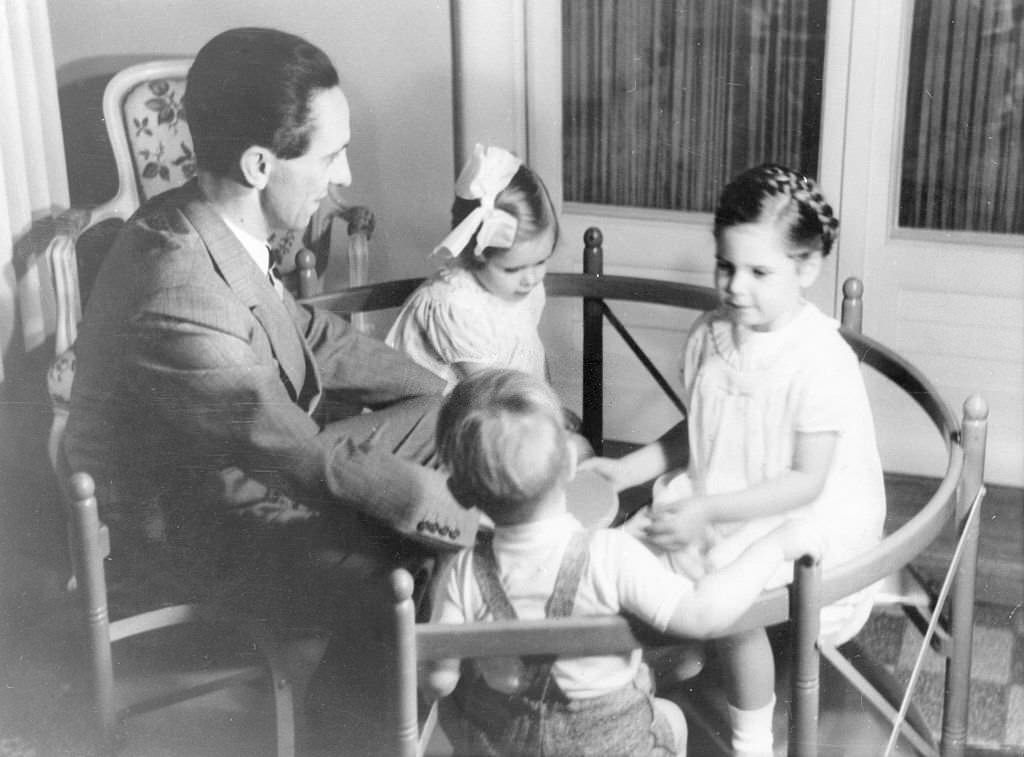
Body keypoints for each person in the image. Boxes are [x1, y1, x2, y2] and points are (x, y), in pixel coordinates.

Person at [62, 27, 477, 752]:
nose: (343, 174)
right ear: (259, 164)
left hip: (261, 461)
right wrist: (443, 513)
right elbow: (301, 459)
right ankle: (359, 733)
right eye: (330, 155)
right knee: (416, 556)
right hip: (198, 528)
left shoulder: (207, 217)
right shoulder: (179, 287)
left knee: (463, 429)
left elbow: (312, 335)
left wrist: (457, 394)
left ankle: (435, 682)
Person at [582, 163, 887, 756]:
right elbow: (702, 432)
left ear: (806, 268)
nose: (735, 286)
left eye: (758, 271)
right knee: (622, 558)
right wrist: (627, 470)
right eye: (726, 266)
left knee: (735, 603)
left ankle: (752, 741)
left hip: (794, 511)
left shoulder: (819, 359)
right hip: (719, 490)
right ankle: (644, 671)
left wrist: (708, 510)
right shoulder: (713, 335)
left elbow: (806, 480)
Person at [424, 368, 821, 757]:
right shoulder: (610, 554)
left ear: (459, 493)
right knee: (670, 718)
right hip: (609, 745)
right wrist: (774, 546)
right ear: (568, 467)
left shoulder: (462, 571)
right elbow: (703, 615)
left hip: (504, 745)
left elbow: (441, 680)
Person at [386, 143, 556, 392]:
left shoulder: (522, 288)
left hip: (508, 409)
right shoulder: (455, 305)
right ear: (474, 257)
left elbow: (530, 352)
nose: (531, 279)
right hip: (449, 416)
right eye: (512, 269)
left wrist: (551, 408)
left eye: (541, 261)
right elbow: (494, 396)